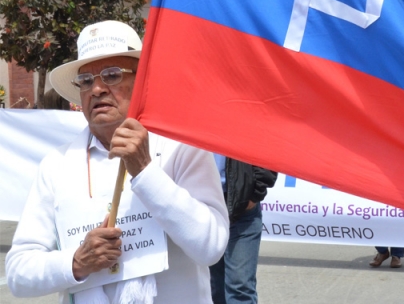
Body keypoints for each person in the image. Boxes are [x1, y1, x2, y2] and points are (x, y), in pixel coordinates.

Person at [5, 20, 229, 304]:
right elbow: (18, 273)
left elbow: (211, 247)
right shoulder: (57, 164)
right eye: (86, 80)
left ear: (142, 83)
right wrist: (75, 263)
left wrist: (146, 171)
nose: (97, 89)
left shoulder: (181, 150)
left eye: (111, 75)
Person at [210, 156, 277, 304]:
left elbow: (268, 146)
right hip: (206, 204)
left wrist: (256, 192)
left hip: (242, 208)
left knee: (240, 289)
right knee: (213, 287)